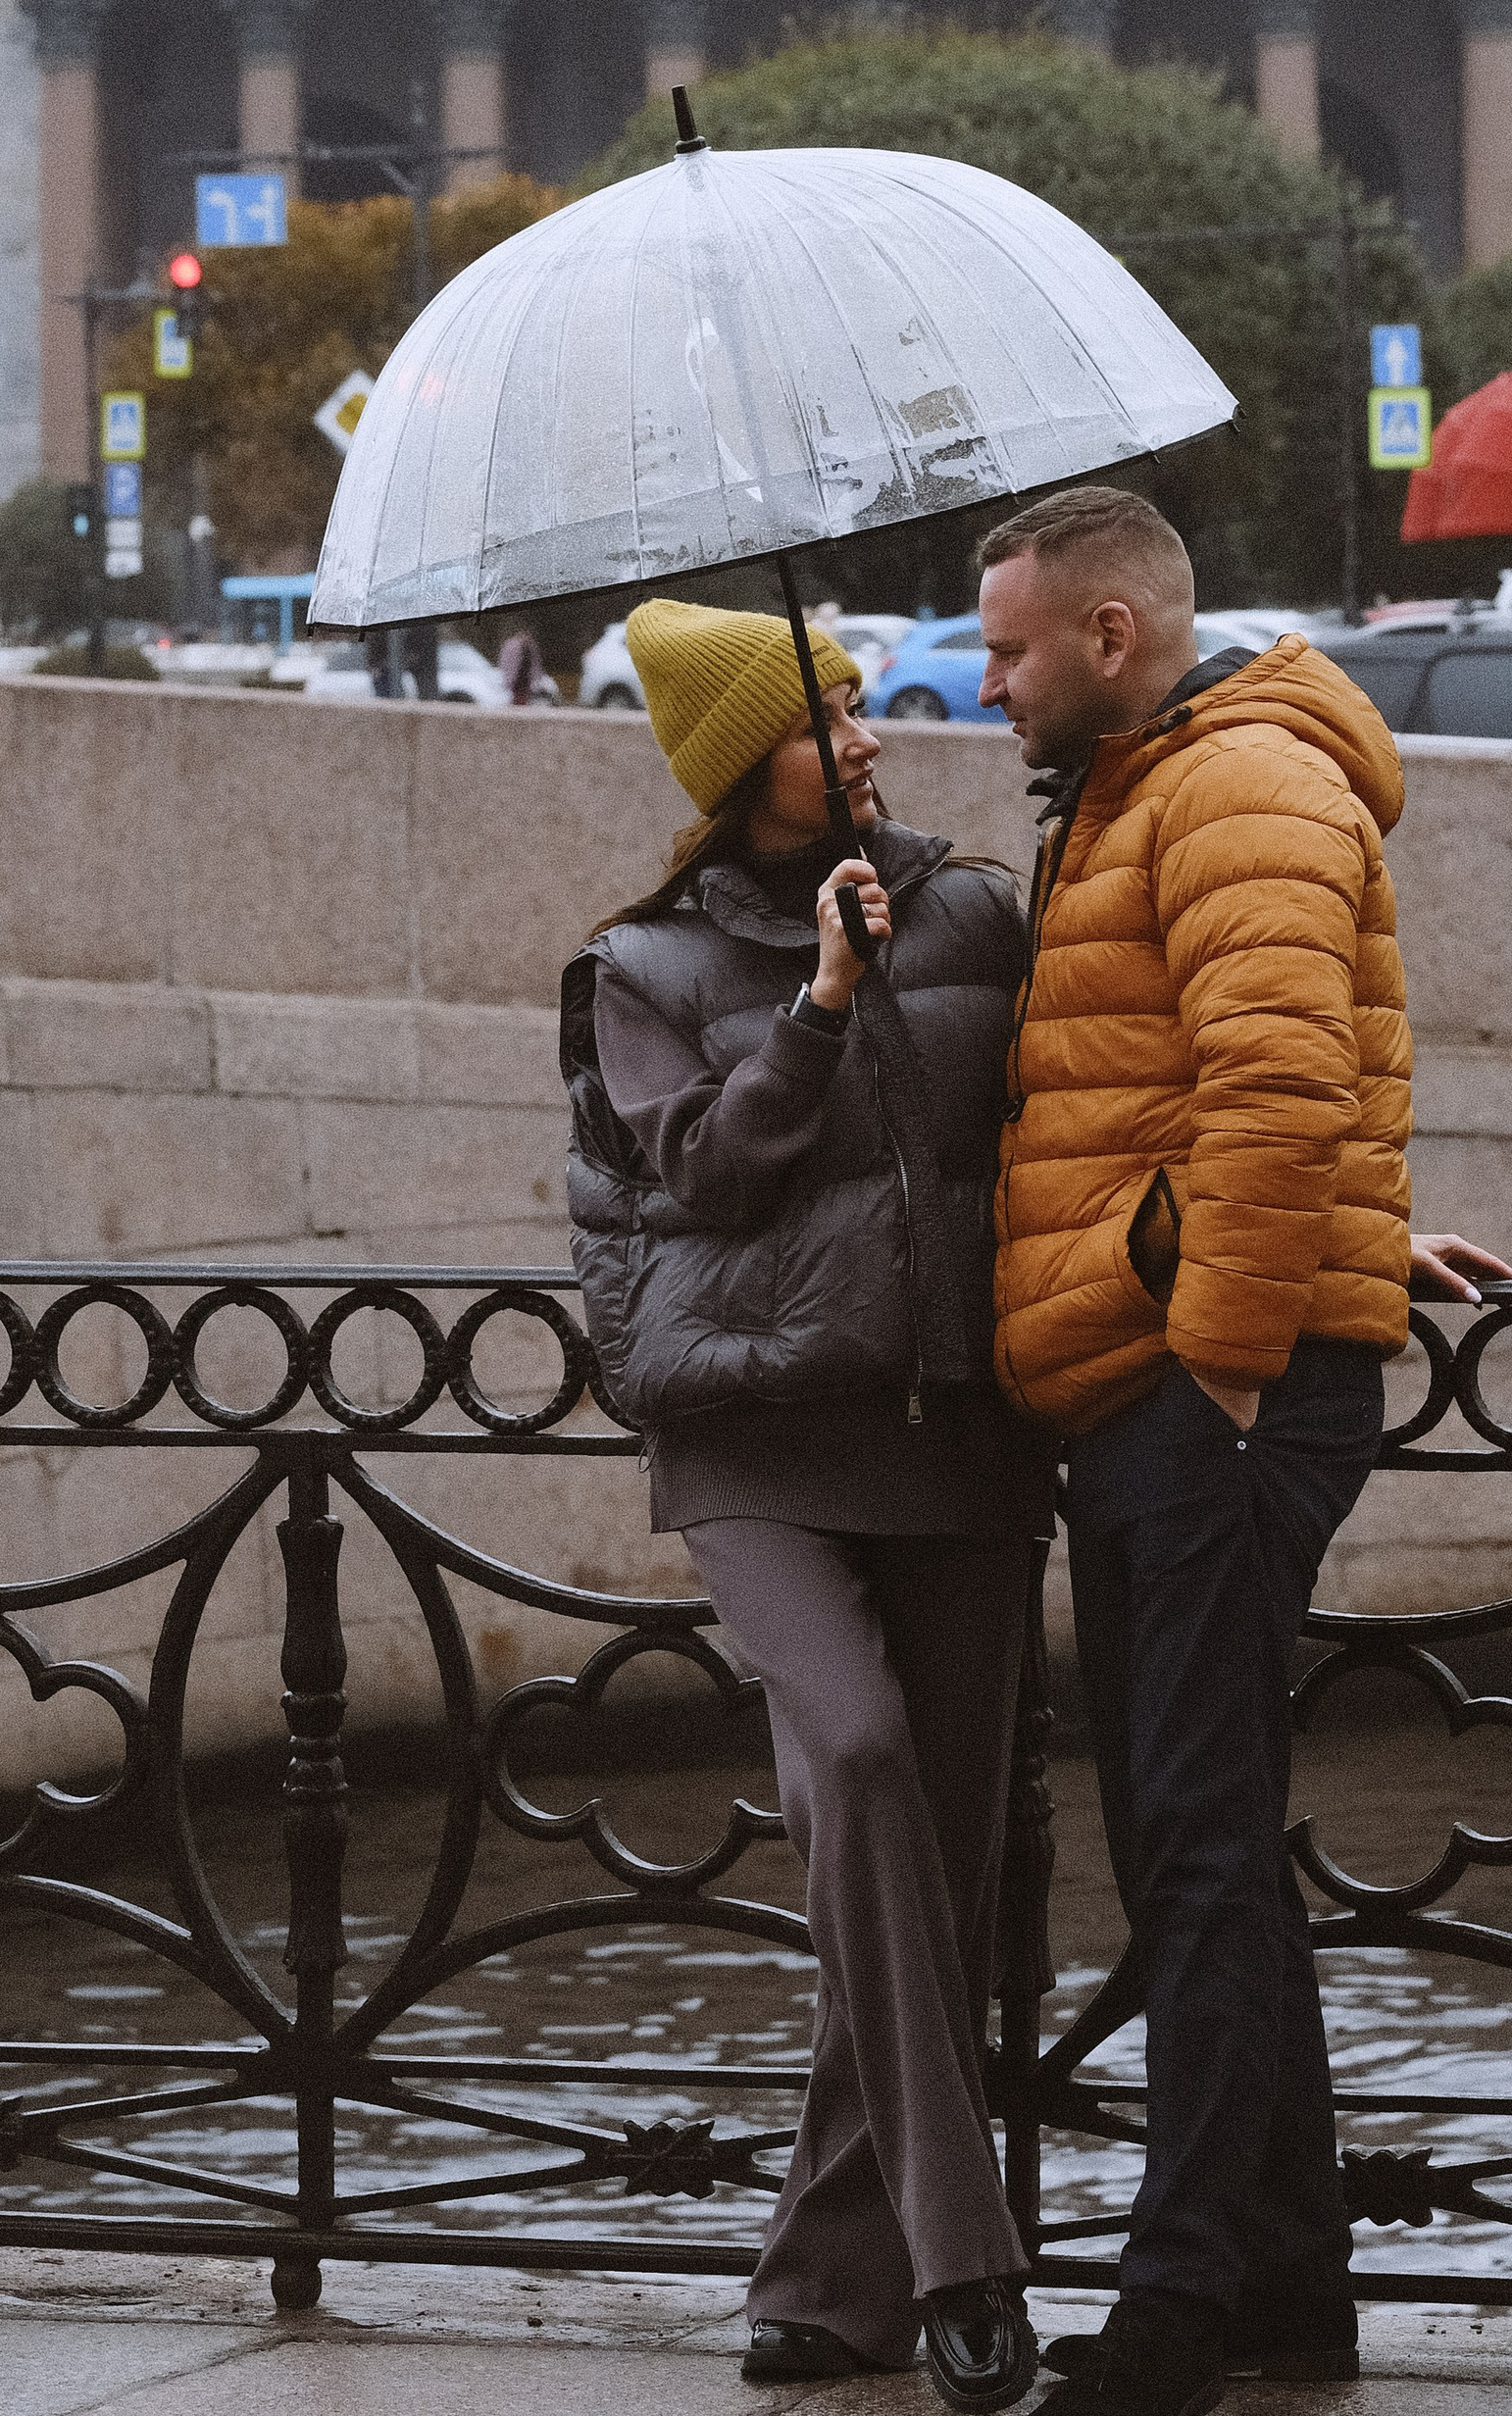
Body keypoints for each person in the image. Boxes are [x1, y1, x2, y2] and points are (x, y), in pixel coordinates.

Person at [975, 487, 1501, 2416]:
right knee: (1196, 1838)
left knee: (1192, 1845)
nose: (988, 677)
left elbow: (1273, 1089)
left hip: (1207, 1390)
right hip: (1187, 1366)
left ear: (1110, 636)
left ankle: (1174, 2310)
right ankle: (1291, 2287)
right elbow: (1223, 1088)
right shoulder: (1159, 779)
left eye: (1013, 646)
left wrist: (1213, 1360)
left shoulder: (1237, 781)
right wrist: (1345, 1236)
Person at [563, 597, 1051, 2415]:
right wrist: (825, 1005)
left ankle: (819, 2280)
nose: (860, 734)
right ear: (731, 766)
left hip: (961, 1437)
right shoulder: (637, 963)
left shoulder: (982, 903)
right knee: (850, 1756)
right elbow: (705, 1170)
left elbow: (1104, 1114)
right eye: (817, 716)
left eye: (855, 702)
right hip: (755, 1441)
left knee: (923, 1866)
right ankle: (964, 2259)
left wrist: (1335, 1227)